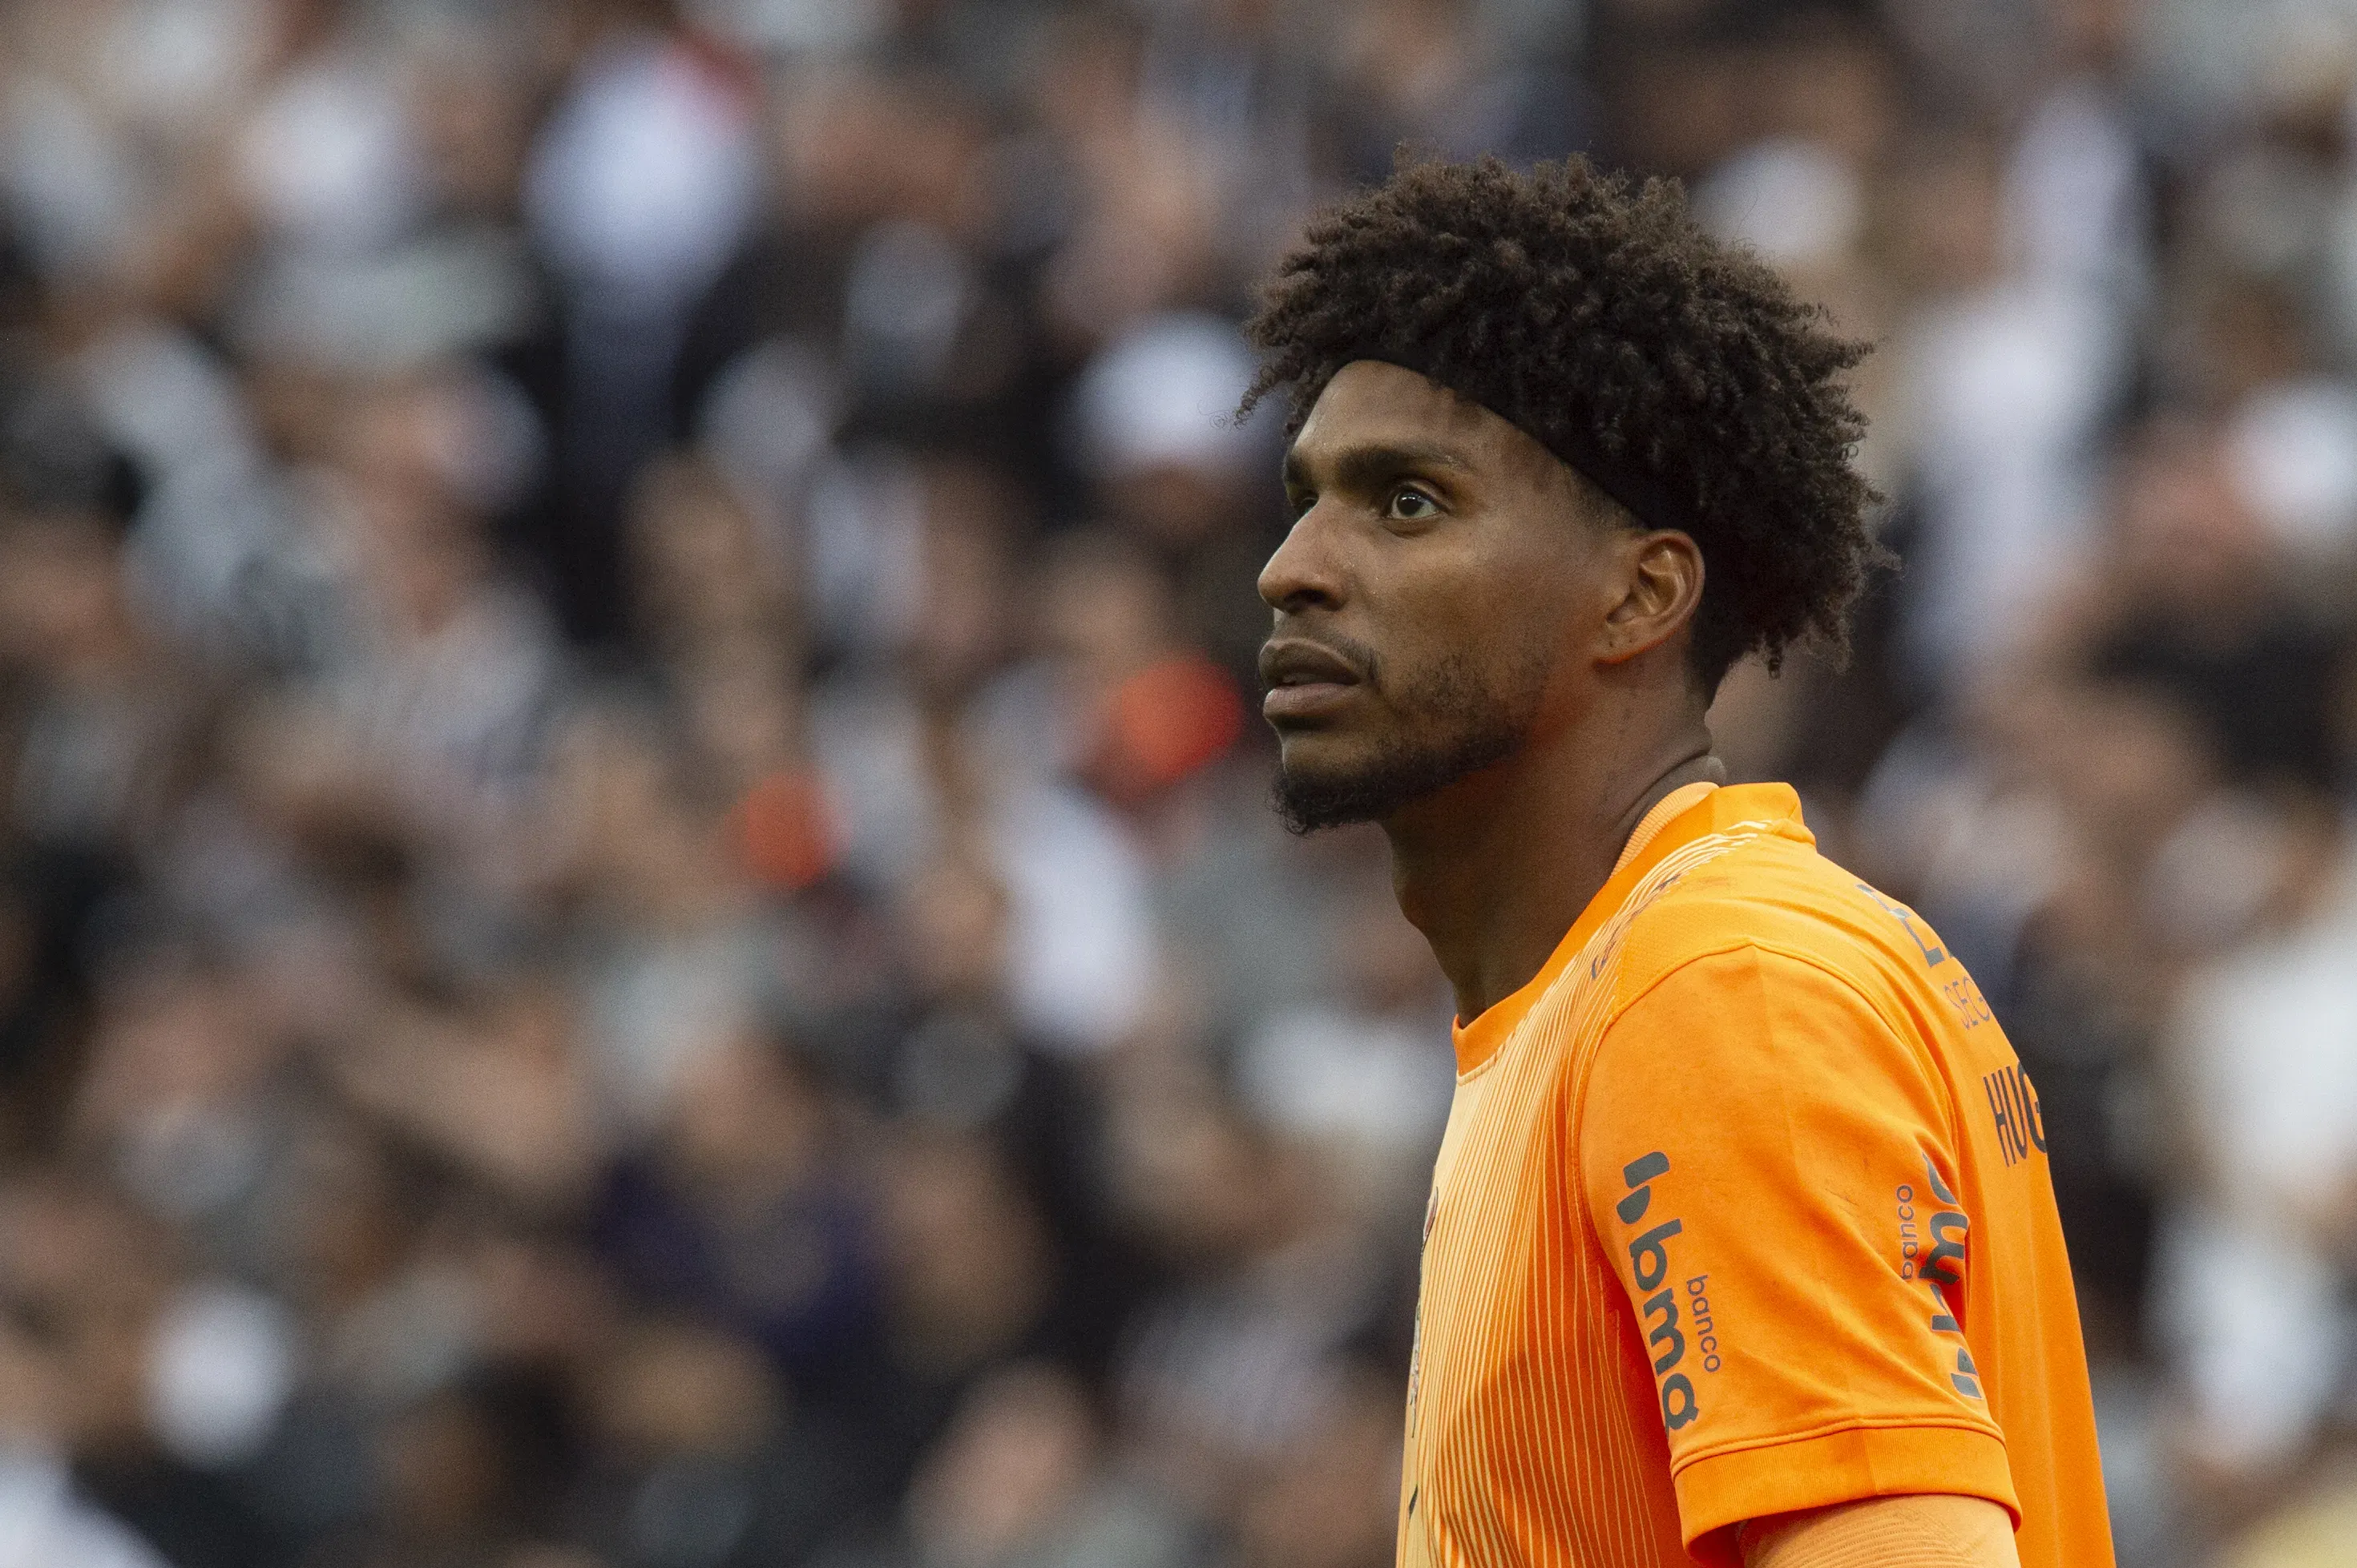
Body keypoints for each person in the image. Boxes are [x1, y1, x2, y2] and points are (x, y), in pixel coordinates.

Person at [1244, 157, 2113, 1568]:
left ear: (1640, 595)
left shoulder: (1715, 991)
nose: (1293, 565)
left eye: (1405, 502)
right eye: (1307, 498)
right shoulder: (1613, 995)